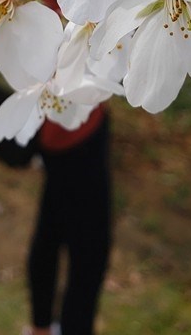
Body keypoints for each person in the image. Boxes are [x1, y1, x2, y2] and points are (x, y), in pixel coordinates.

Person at [24, 103, 112, 335]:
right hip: (74, 131)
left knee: (52, 227)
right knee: (90, 254)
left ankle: (40, 326)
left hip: (62, 127)